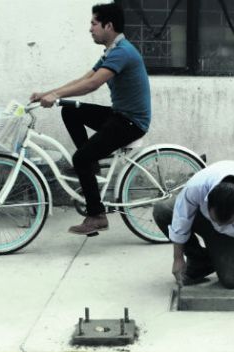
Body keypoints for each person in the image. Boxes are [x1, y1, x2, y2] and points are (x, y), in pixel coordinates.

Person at [30, 2, 151, 235]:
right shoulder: (112, 51)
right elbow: (83, 79)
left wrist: (55, 95)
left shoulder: (122, 52)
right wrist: (49, 94)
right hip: (119, 115)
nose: (90, 29)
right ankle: (91, 164)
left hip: (131, 123)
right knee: (70, 109)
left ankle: (96, 215)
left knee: (80, 159)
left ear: (109, 25)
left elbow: (92, 85)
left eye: (94, 23)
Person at [153, 160, 234, 323]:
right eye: (216, 219)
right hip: (203, 219)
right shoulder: (197, 187)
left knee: (231, 281)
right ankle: (200, 261)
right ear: (208, 201)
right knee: (163, 210)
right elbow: (180, 219)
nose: (218, 225)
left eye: (224, 222)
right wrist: (178, 258)